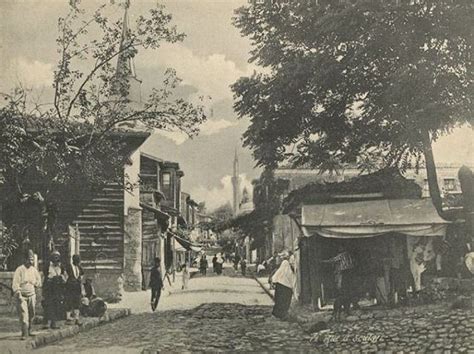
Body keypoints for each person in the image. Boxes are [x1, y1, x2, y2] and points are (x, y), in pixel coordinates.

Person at [12, 249, 42, 340]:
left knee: (31, 314)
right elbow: (15, 284)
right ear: (24, 259)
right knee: (24, 315)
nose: (30, 261)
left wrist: (35, 284)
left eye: (32, 259)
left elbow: (38, 281)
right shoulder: (19, 269)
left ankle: (29, 330)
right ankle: (24, 333)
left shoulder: (34, 270)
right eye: (29, 259)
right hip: (22, 296)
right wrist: (18, 294)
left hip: (32, 295)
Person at [43, 250, 66, 329]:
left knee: (57, 305)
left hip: (58, 288)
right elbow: (45, 277)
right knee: (48, 304)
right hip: (49, 288)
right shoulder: (47, 266)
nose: (56, 259)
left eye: (57, 257)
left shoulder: (61, 267)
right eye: (54, 257)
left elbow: (63, 276)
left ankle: (54, 322)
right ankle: (46, 322)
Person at [270, 252, 296, 320]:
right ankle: (281, 314)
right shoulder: (286, 264)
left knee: (280, 301)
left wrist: (273, 280)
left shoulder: (285, 264)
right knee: (283, 301)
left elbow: (278, 274)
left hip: (281, 286)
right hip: (285, 286)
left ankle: (278, 314)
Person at [65, 254, 84, 325]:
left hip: (77, 287)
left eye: (78, 260)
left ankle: (77, 319)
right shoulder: (69, 267)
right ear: (73, 260)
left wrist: (79, 280)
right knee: (69, 301)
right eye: (76, 260)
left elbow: (82, 274)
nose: (78, 262)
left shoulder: (79, 267)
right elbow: (65, 276)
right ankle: (68, 318)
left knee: (77, 302)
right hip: (70, 287)